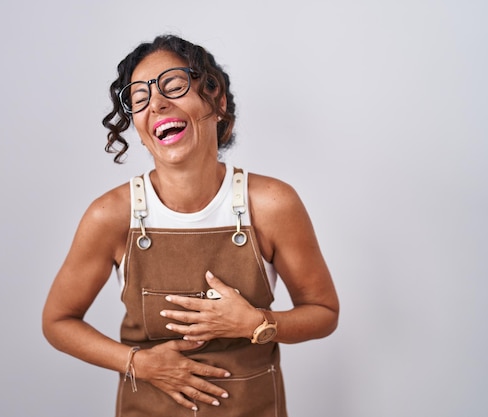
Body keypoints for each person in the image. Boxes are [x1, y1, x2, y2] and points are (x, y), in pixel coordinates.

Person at [42, 34, 339, 417]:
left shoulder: (272, 204)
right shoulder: (111, 215)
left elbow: (323, 312)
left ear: (216, 100)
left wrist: (256, 323)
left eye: (173, 86)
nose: (158, 104)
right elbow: (57, 321)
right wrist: (138, 363)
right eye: (140, 99)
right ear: (138, 126)